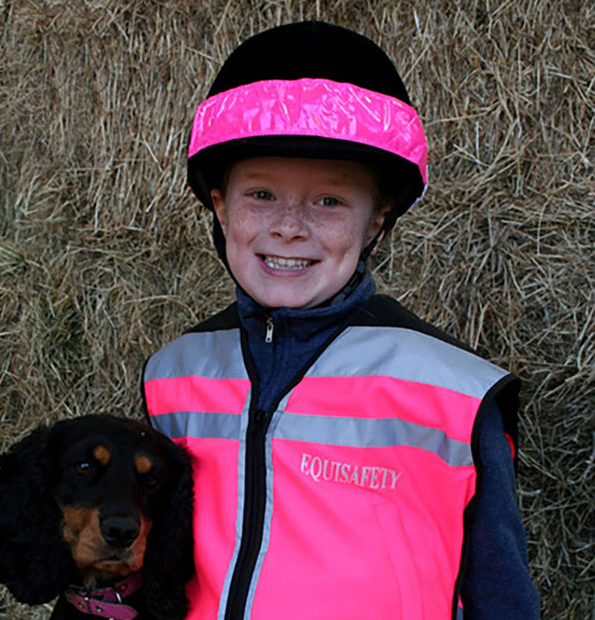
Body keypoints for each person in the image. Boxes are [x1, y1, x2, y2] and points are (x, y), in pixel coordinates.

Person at [143, 21, 540, 620]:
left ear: (376, 221)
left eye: (329, 202)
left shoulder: (453, 395)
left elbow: (501, 595)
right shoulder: (172, 377)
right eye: (261, 195)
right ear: (220, 208)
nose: (289, 227)